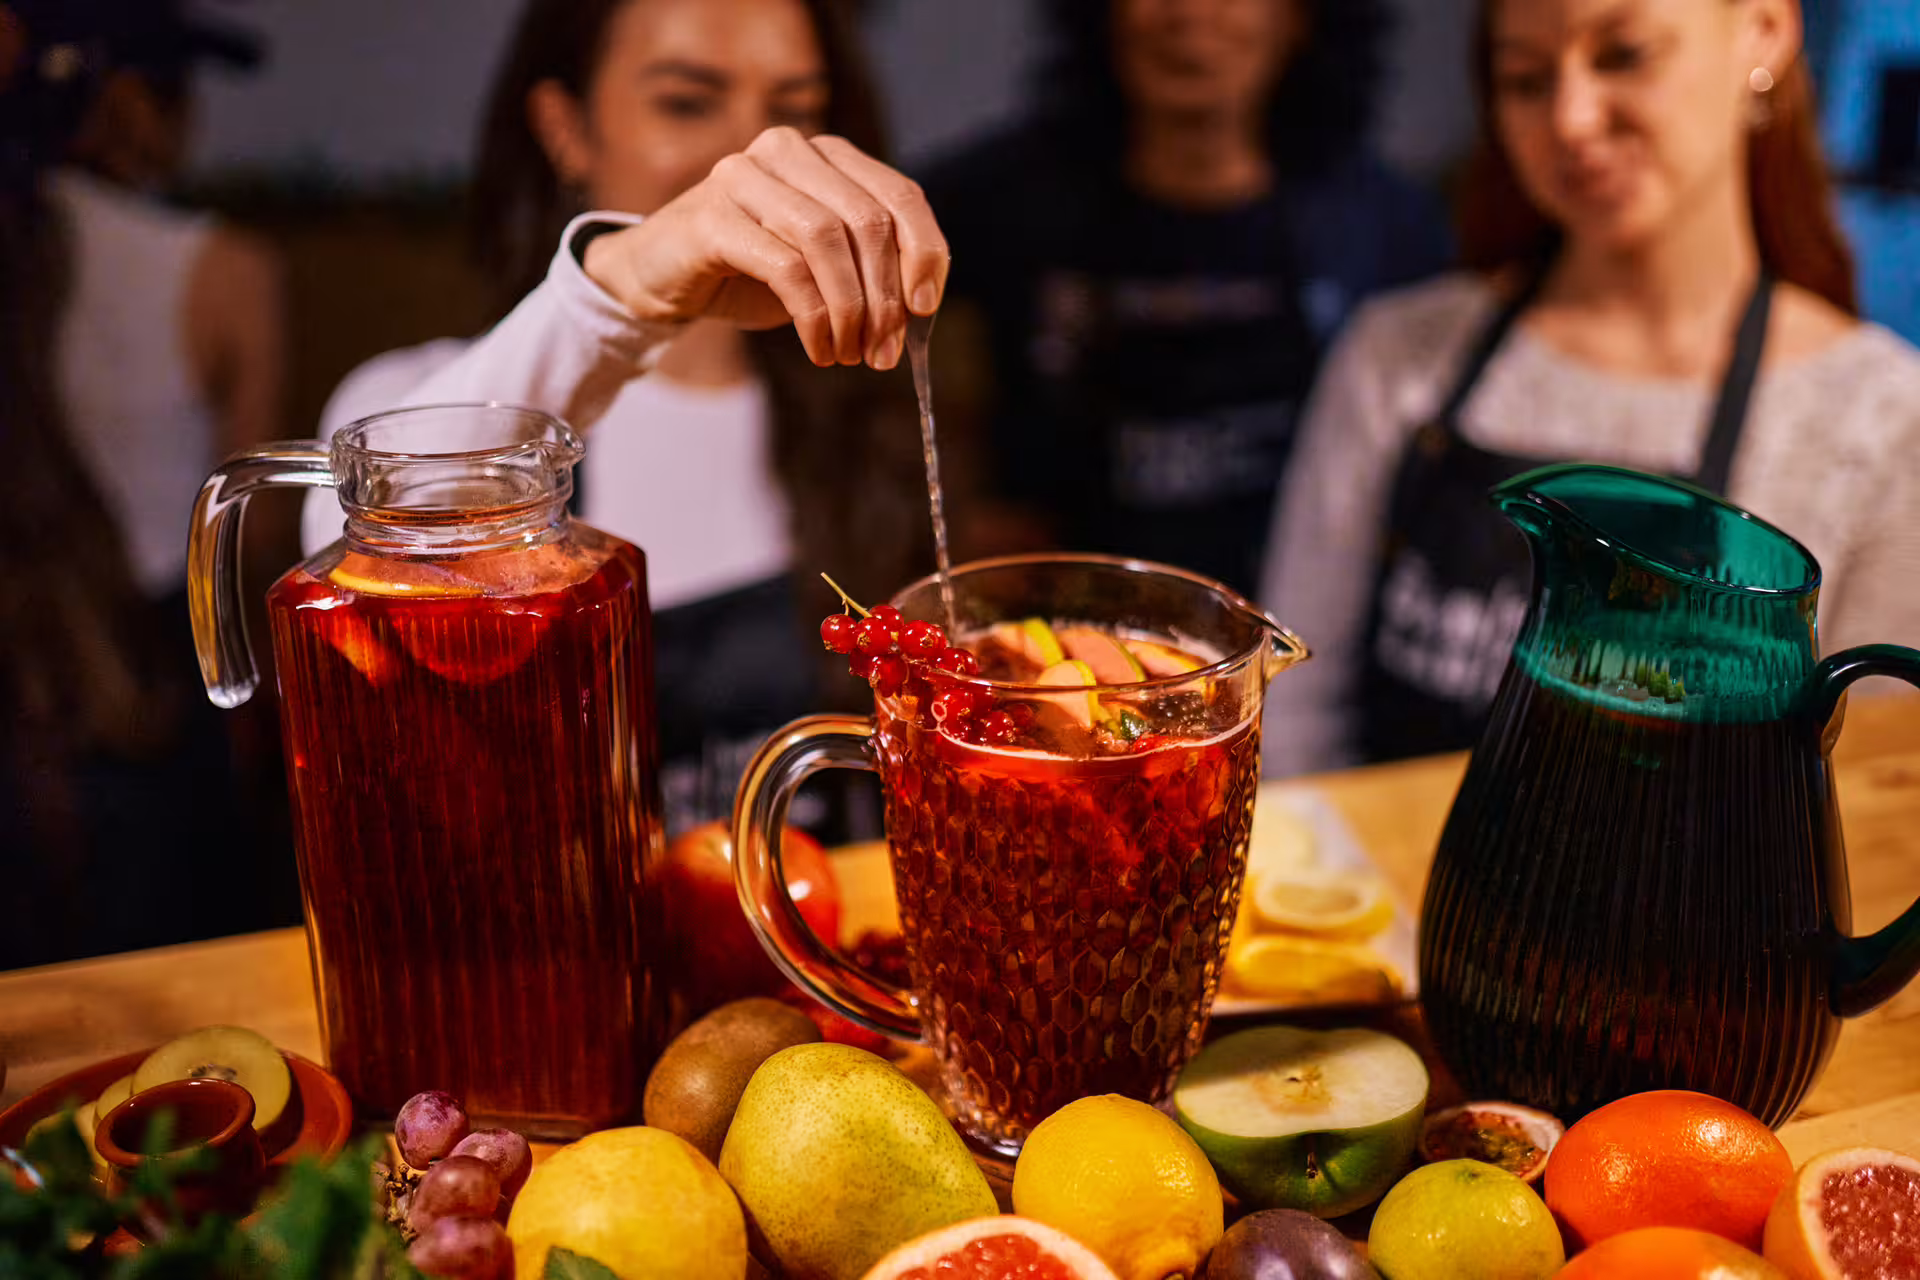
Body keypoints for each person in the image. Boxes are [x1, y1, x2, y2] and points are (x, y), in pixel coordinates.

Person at [305, 0, 953, 834]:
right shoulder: (422, 404)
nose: (754, 158)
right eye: (686, 102)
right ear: (564, 128)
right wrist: (633, 283)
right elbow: (350, 542)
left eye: (792, 111)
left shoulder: (864, 416)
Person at [1259, 0, 1920, 776]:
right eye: (1526, 79)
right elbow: (1294, 710)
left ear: (1764, 31)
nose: (1570, 119)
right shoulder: (1397, 356)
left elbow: (1865, 794)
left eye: (1624, 54)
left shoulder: (1879, 417)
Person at [921, 0, 1450, 597]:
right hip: (1054, 635)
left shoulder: (1388, 229)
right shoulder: (986, 205)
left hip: (1289, 628)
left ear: (1301, 18)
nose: (1189, 14)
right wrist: (964, 504)